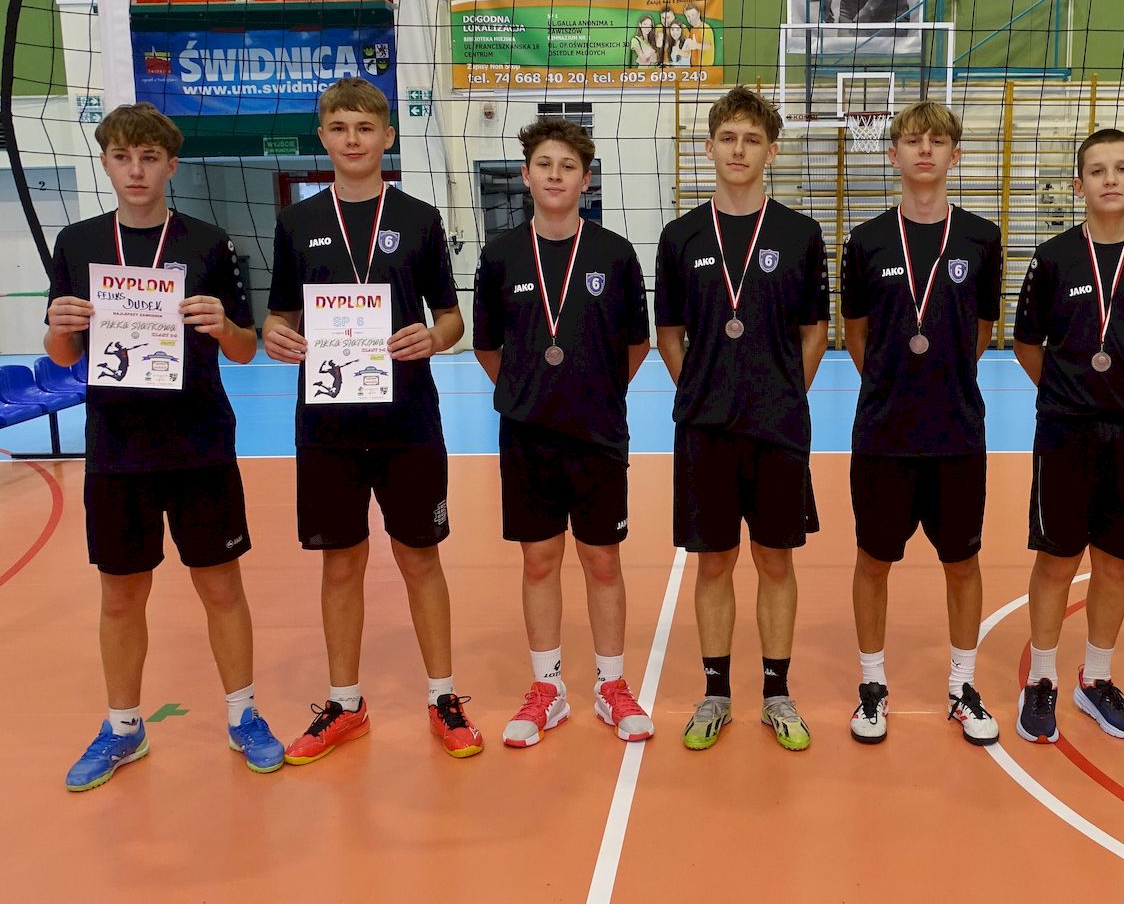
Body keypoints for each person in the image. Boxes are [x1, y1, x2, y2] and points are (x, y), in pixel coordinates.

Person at [46, 101, 283, 791]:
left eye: (149, 158)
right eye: (123, 157)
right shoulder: (78, 243)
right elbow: (63, 354)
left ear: (171, 165)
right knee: (121, 595)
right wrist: (59, 325)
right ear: (106, 163)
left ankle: (243, 714)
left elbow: (245, 349)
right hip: (117, 448)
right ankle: (124, 726)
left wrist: (222, 324)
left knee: (221, 585)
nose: (136, 170)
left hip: (199, 442)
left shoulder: (209, 243)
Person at [263, 77, 483, 763]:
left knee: (420, 557)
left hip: (408, 420)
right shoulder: (296, 222)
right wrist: (274, 336)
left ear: (387, 137)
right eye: (339, 127)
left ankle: (443, 696)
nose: (352, 139)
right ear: (322, 136)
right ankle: (345, 703)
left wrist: (436, 337)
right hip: (326, 423)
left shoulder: (418, 217)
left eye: (364, 127)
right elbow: (278, 315)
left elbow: (451, 316)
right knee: (341, 563)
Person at [655, 86, 830, 751]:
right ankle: (716, 694)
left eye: (752, 139)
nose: (739, 149)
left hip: (777, 427)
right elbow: (668, 334)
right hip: (706, 429)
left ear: (771, 151)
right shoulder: (681, 236)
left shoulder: (799, 234)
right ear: (709, 147)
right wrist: (703, 390)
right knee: (714, 563)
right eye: (728, 138)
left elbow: (815, 331)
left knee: (775, 559)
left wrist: (781, 394)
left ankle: (777, 693)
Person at [473, 118, 655, 747]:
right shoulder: (500, 255)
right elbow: (487, 346)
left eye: (568, 166)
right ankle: (547, 687)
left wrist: (594, 392)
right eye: (545, 165)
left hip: (598, 433)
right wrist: (529, 394)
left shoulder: (615, 254)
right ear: (526, 176)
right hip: (528, 435)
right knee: (539, 559)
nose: (555, 175)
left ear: (586, 179)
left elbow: (637, 344)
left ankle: (611, 684)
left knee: (602, 559)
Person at [1010, 128, 1124, 743]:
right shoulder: (1053, 257)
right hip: (1066, 431)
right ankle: (1041, 679)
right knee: (1056, 559)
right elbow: (1026, 342)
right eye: (1097, 170)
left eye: (1121, 168)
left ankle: (1097, 678)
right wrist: (1068, 391)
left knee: (1116, 562)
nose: (1110, 179)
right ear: (1078, 183)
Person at [840, 101, 1004, 746]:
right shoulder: (867, 240)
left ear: (955, 155)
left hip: (956, 432)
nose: (925, 150)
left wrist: (943, 378)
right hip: (883, 433)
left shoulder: (982, 238)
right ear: (894, 154)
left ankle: (963, 686)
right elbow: (856, 334)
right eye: (913, 141)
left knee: (962, 562)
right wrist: (892, 382)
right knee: (873, 560)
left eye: (938, 141)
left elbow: (983, 329)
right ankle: (872, 685)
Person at [682, 4, 715, 68]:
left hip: (705, 69)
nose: (691, 18)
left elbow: (707, 46)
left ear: (698, 14)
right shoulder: (692, 30)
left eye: (693, 15)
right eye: (688, 16)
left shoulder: (705, 28)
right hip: (694, 69)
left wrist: (696, 45)